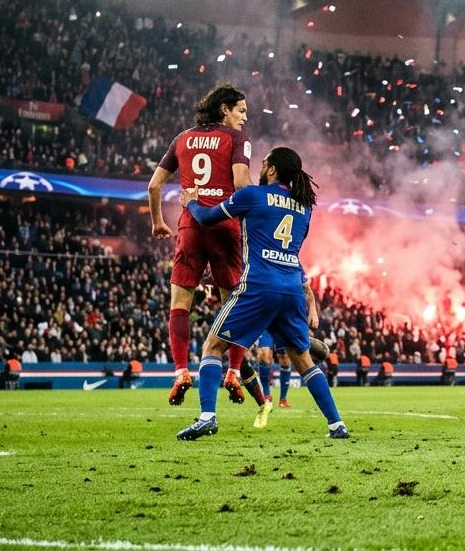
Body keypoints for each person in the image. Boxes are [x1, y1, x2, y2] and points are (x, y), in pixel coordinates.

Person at [175, 147, 348, 441]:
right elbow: (291, 250)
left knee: (213, 346)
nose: (261, 167)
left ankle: (207, 418)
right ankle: (337, 425)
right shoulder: (304, 208)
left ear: (272, 169)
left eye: (264, 162)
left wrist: (191, 202)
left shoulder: (252, 195)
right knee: (304, 360)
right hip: (291, 288)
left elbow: (206, 217)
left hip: (258, 285)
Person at [148, 84, 267, 409]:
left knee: (179, 303)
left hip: (190, 226)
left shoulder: (182, 138)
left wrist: (158, 222)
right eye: (241, 110)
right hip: (225, 225)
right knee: (234, 306)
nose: (245, 117)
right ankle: (233, 371)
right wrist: (261, 207)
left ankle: (180, 372)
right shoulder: (237, 139)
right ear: (224, 109)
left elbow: (154, 185)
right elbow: (241, 183)